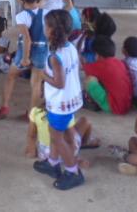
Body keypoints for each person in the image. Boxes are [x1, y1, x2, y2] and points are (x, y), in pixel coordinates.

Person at [32, 10, 85, 190]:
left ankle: (73, 171)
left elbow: (59, 82)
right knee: (56, 134)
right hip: (69, 100)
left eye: (46, 26)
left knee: (57, 138)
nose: (44, 29)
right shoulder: (70, 47)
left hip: (60, 104)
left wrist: (42, 76)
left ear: (52, 31)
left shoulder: (54, 56)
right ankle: (52, 163)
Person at [0, 0, 46, 119]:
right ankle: (31, 114)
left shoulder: (22, 16)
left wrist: (25, 58)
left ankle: (5, 107)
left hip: (24, 52)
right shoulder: (46, 13)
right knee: (36, 84)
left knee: (11, 76)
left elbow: (27, 39)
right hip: (42, 52)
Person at [25, 97, 99, 161]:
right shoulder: (66, 112)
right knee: (85, 121)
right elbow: (71, 138)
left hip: (45, 154)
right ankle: (85, 142)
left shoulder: (35, 111)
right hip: (64, 155)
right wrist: (75, 160)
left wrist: (31, 151)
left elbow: (32, 135)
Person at [82, 35, 132, 115]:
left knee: (89, 80)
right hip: (127, 103)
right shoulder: (118, 62)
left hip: (114, 107)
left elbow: (84, 67)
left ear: (98, 55)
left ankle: (91, 101)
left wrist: (82, 59)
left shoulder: (100, 65)